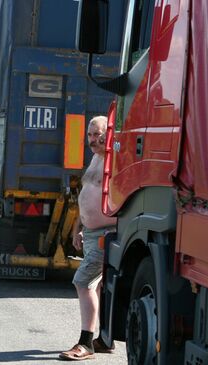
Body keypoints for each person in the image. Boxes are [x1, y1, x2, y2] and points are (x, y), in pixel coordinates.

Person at [60, 116, 117, 361]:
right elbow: (88, 195)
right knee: (98, 286)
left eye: (98, 134)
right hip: (91, 233)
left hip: (107, 234)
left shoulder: (115, 160)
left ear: (110, 133)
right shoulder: (96, 158)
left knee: (83, 282)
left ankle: (86, 344)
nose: (93, 140)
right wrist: (79, 228)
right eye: (90, 135)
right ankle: (104, 340)